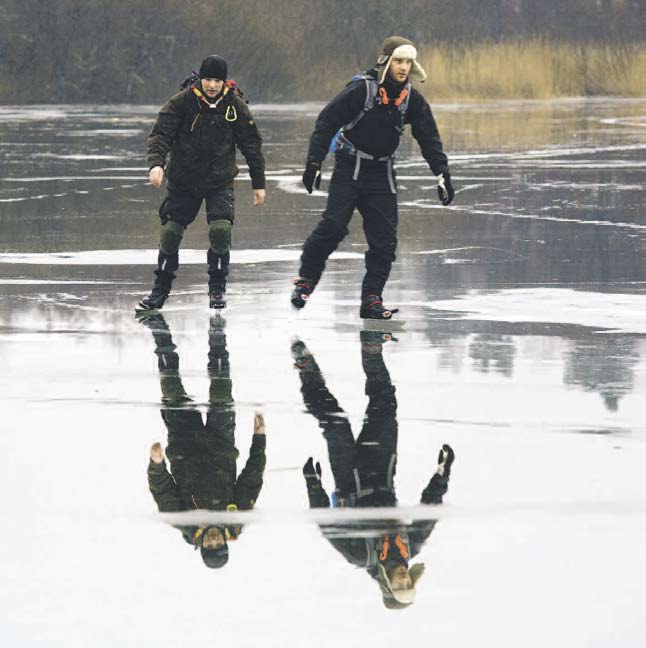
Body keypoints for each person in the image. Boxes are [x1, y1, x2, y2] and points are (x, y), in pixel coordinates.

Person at [291, 36, 454, 319]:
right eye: (399, 61)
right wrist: (314, 163)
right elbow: (326, 122)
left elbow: (429, 137)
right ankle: (306, 279)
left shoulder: (411, 99)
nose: (404, 67)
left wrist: (442, 173)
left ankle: (372, 299)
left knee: (385, 241)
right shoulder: (361, 90)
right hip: (350, 166)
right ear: (387, 61)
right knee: (333, 225)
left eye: (408, 62)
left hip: (382, 174)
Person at [291, 331, 455, 608]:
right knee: (385, 407)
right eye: (408, 583)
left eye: (398, 586)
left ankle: (307, 369)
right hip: (381, 470)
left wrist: (313, 484)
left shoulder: (360, 556)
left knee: (335, 423)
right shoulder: (410, 546)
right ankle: (372, 351)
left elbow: (327, 525)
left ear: (387, 585)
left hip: (349, 480)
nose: (403, 579)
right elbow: (430, 510)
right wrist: (442, 472)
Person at [139, 54, 266, 312]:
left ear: (224, 82)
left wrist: (258, 182)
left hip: (219, 180)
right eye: (208, 79)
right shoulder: (182, 102)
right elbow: (161, 134)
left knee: (221, 230)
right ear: (201, 79)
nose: (211, 85)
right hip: (184, 179)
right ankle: (160, 291)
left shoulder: (234, 105)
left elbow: (251, 145)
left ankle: (217, 288)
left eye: (217, 81)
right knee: (171, 232)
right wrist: (156, 164)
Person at [142, 313, 267, 569]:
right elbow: (252, 476)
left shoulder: (181, 521)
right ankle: (217, 333)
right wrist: (259, 437)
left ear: (201, 546)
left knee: (171, 389)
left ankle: (160, 333)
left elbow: (161, 489)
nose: (213, 540)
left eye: (209, 546)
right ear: (225, 542)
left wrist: (156, 463)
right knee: (221, 388)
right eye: (218, 545)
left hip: (183, 444)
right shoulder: (237, 517)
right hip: (221, 440)